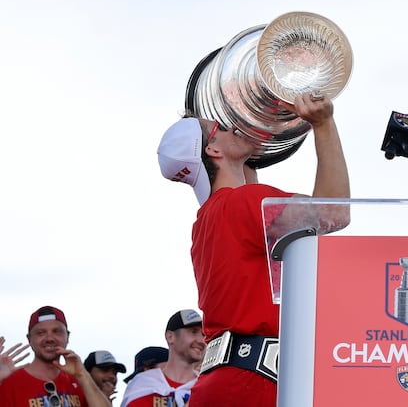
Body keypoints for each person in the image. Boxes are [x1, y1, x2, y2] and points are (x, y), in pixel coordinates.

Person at [157, 91, 350, 406]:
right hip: (252, 381)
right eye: (222, 126)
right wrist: (324, 123)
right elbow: (335, 212)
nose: (234, 127)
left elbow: (247, 185)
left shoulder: (207, 219)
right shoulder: (241, 204)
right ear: (213, 149)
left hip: (229, 377)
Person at [0, 306, 111, 406]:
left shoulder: (80, 381)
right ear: (29, 339)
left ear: (67, 337)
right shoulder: (10, 383)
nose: (49, 338)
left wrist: (82, 375)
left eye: (57, 332)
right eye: (41, 333)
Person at [120, 309, 206, 407]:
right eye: (193, 332)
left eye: (203, 334)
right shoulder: (143, 385)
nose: (201, 341)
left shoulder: (206, 388)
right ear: (170, 337)